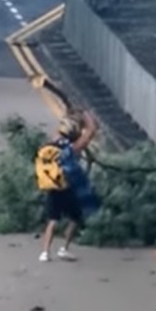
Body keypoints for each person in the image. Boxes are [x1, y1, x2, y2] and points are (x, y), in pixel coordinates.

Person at [35, 109, 98, 262]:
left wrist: (70, 117)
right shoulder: (72, 149)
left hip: (52, 187)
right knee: (76, 218)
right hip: (67, 188)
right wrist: (86, 114)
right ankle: (64, 249)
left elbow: (61, 131)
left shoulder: (49, 144)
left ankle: (45, 252)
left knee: (52, 219)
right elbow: (91, 131)